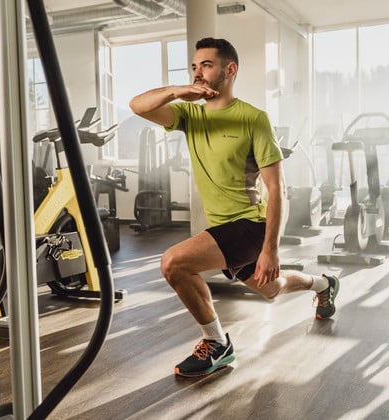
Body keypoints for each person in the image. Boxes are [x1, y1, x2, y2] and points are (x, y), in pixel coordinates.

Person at [129, 37, 340, 378]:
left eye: (207, 65)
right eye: (194, 66)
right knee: (272, 289)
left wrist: (271, 248)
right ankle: (323, 284)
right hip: (224, 227)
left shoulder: (253, 119)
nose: (198, 72)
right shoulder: (188, 115)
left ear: (230, 70)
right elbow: (137, 105)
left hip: (249, 225)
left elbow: (276, 188)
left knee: (174, 263)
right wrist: (177, 91)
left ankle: (216, 344)